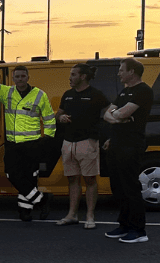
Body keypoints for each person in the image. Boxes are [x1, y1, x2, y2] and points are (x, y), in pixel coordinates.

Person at [0, 65, 56, 221]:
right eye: (17, 76)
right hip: (13, 145)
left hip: (32, 144)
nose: (20, 79)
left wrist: (48, 139)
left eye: (23, 76)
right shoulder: (7, 93)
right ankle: (43, 200)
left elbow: (49, 118)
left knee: (29, 178)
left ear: (28, 77)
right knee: (12, 174)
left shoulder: (39, 95)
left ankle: (25, 211)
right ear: (13, 78)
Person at [103, 58, 153, 243]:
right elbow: (108, 114)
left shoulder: (143, 91)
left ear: (132, 72)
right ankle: (124, 225)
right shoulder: (125, 91)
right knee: (118, 187)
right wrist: (118, 117)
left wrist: (118, 115)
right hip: (116, 144)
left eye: (121, 70)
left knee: (130, 186)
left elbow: (122, 113)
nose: (119, 73)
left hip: (131, 145)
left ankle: (139, 231)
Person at [55, 64, 109, 229]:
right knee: (72, 179)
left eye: (73, 74)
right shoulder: (68, 95)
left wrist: (107, 136)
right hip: (68, 143)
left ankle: (90, 216)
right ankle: (72, 215)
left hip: (87, 142)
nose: (70, 78)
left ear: (83, 76)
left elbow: (110, 115)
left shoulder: (96, 95)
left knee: (90, 180)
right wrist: (61, 118)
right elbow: (58, 114)